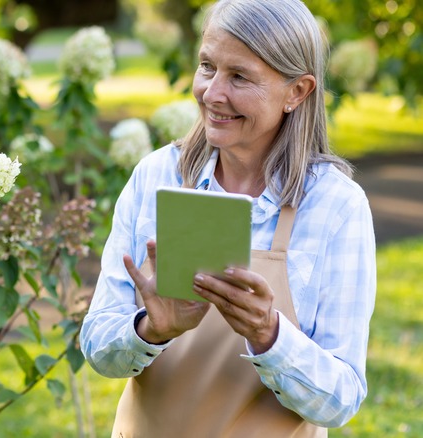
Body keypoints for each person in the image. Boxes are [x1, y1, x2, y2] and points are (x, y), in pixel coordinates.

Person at [79, 0, 376, 436]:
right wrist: (149, 330)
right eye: (207, 66)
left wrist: (269, 335)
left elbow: (341, 400)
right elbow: (98, 347)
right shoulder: (157, 176)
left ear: (297, 91)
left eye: (239, 76)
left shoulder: (336, 207)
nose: (212, 93)